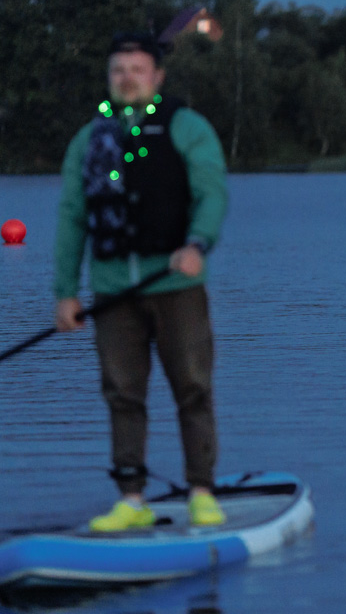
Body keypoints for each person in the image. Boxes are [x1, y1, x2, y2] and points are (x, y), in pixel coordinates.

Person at [53, 32, 229, 531]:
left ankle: (201, 491)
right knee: (122, 393)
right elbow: (71, 217)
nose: (126, 78)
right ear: (109, 78)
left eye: (136, 69)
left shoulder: (187, 128)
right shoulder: (89, 139)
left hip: (176, 285)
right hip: (113, 293)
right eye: (118, 70)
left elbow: (212, 194)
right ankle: (132, 499)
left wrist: (197, 244)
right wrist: (65, 292)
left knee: (192, 387)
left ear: (157, 77)